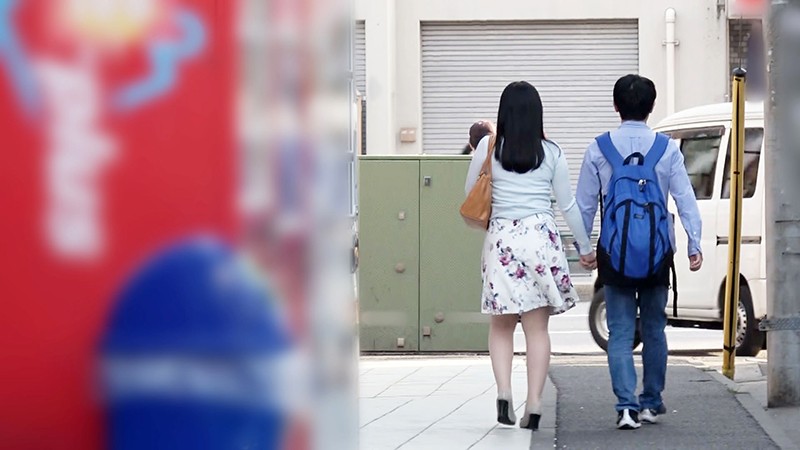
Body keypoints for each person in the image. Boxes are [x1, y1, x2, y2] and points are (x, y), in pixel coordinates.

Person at [575, 74, 703, 430]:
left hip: (614, 252)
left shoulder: (599, 148)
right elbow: (685, 198)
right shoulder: (667, 149)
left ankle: (626, 407)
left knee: (619, 330)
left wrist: (584, 247)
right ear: (652, 106)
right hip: (657, 252)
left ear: (616, 106)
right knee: (654, 327)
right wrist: (694, 242)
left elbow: (585, 204)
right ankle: (650, 402)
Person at [465, 81, 595, 430]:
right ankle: (535, 403)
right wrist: (585, 248)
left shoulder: (487, 148)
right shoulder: (551, 152)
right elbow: (568, 205)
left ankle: (504, 393)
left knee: (501, 324)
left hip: (502, 240)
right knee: (537, 328)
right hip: (540, 238)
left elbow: (470, 192)